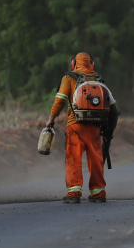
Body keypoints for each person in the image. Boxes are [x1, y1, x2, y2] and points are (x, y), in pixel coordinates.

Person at [45, 52, 118, 204]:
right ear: (92, 64)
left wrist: (51, 118)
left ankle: (74, 193)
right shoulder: (99, 80)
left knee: (73, 158)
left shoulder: (69, 78)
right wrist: (108, 132)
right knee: (96, 159)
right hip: (95, 128)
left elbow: (60, 100)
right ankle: (99, 193)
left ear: (74, 64)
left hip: (75, 126)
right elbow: (113, 109)